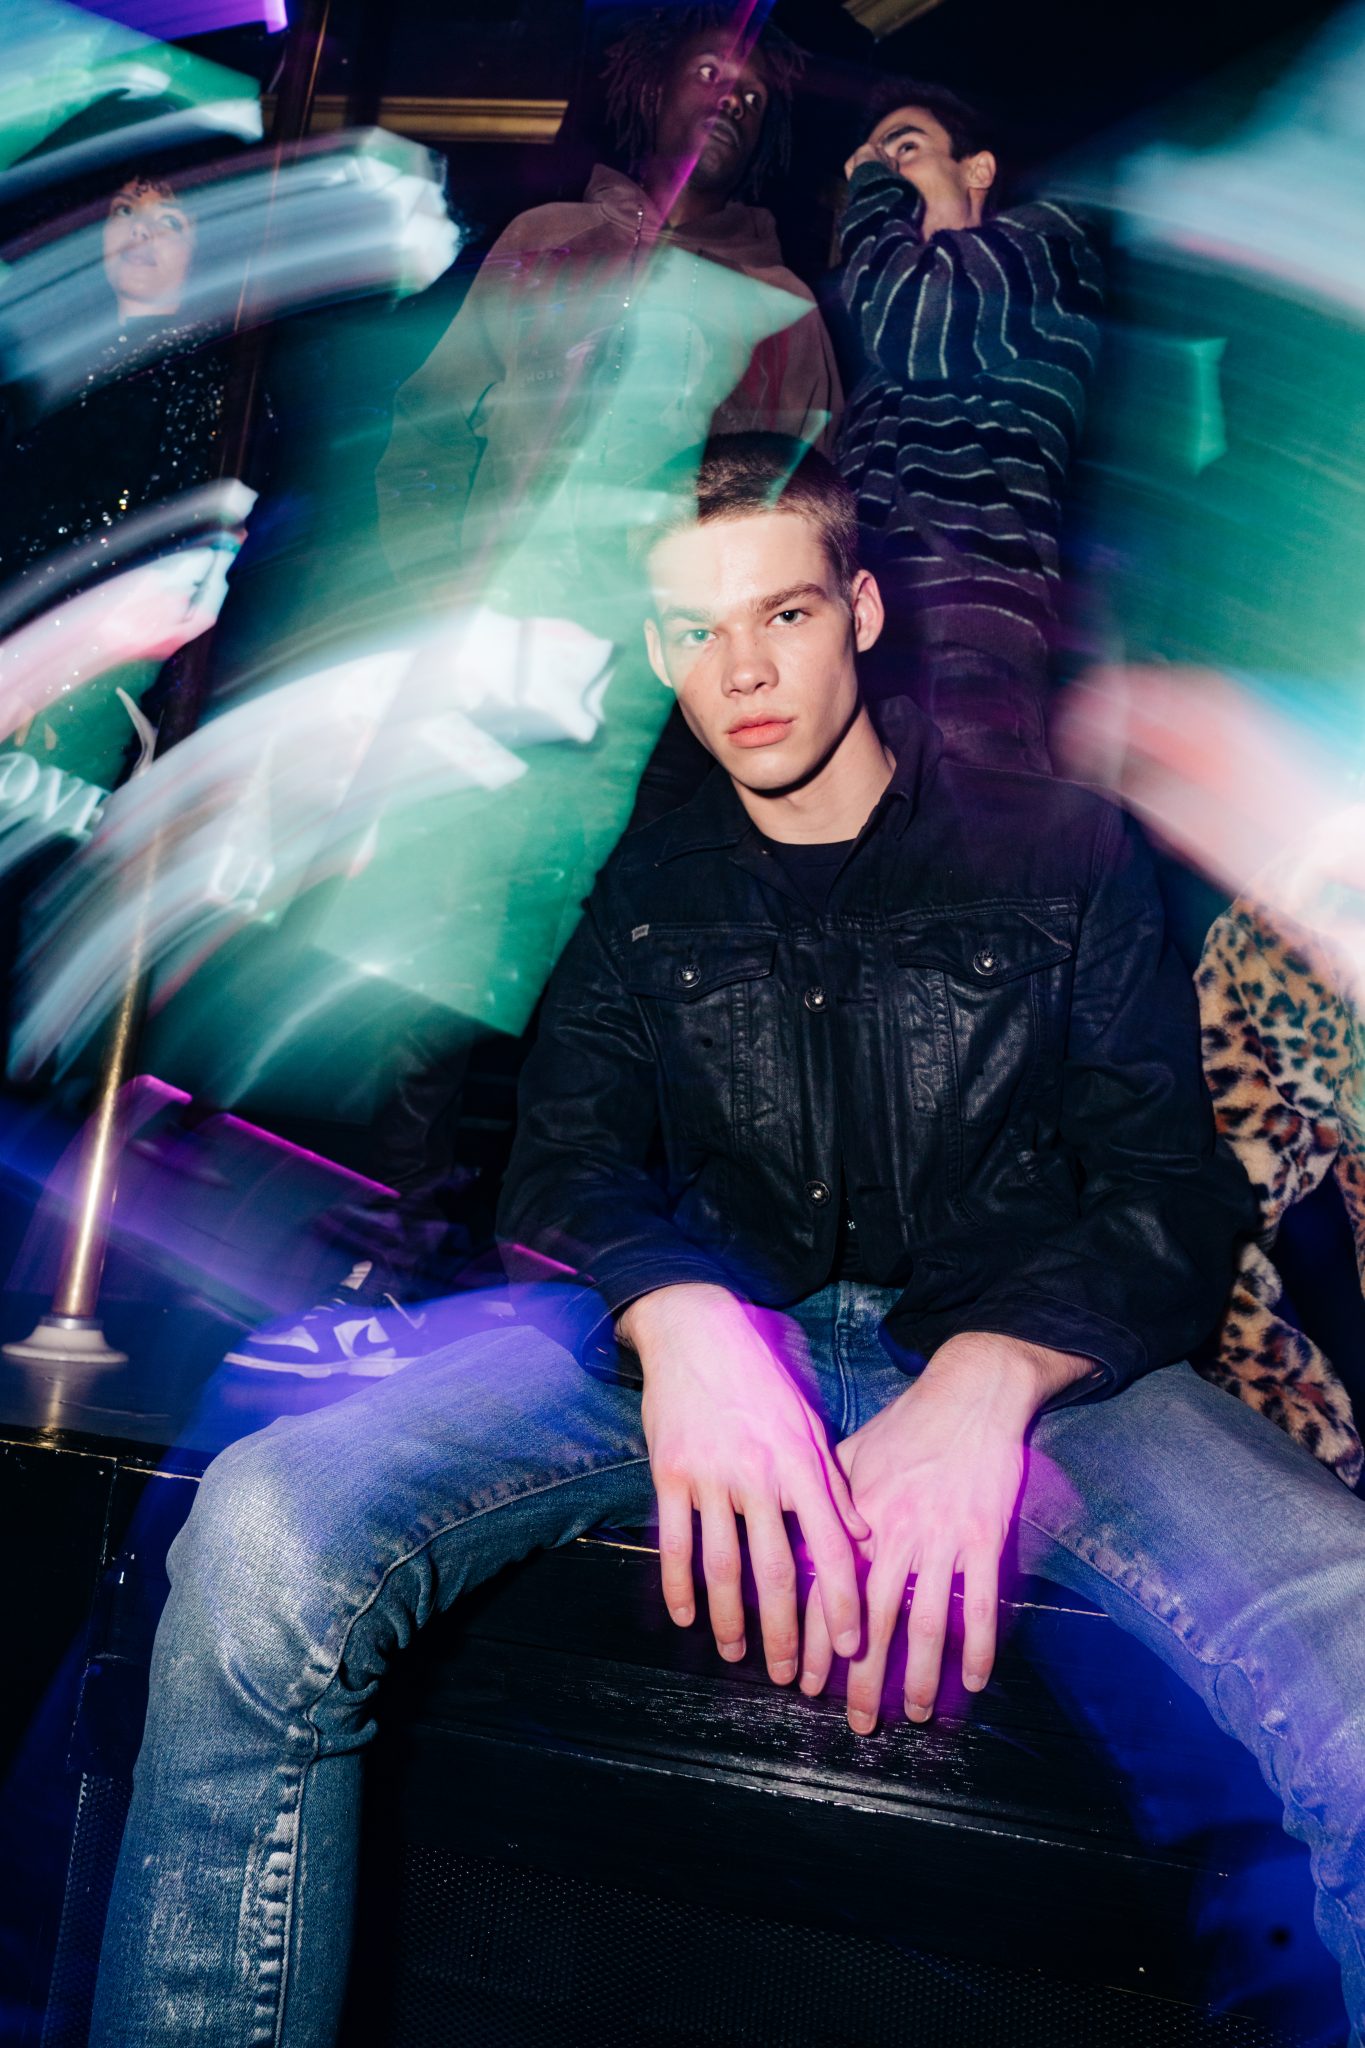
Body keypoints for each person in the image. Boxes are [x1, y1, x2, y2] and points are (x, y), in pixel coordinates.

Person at [91, 433, 1365, 2044]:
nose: (742, 671)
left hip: (1041, 1361)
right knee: (264, 1525)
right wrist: (686, 1320)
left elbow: (1166, 1184)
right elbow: (560, 1167)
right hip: (681, 1349)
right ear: (653, 648)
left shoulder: (1060, 847)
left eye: (784, 614)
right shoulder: (645, 882)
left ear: (863, 613)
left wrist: (988, 1382)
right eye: (697, 630)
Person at [376, 3, 841, 620]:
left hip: (682, 650)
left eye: (754, 100)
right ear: (654, 91)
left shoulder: (784, 305)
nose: (732, 100)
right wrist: (435, 581)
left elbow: (813, 504)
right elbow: (429, 423)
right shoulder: (543, 239)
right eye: (709, 73)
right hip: (504, 626)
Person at [835, 81, 1103, 773]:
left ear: (976, 169)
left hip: (964, 624)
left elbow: (910, 315)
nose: (882, 171)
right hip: (854, 637)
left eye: (904, 148)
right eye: (873, 160)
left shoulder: (1046, 244)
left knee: (970, 832)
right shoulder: (882, 357)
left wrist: (872, 183)